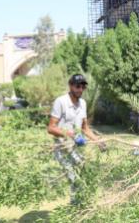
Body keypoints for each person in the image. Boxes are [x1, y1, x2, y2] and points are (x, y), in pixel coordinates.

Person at [47, 74, 102, 204]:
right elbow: (51, 128)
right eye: (78, 86)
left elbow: (85, 128)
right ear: (70, 86)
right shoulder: (61, 102)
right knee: (73, 176)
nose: (80, 89)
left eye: (83, 87)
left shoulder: (83, 103)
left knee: (84, 170)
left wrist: (98, 141)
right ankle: (76, 206)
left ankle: (81, 204)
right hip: (62, 147)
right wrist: (70, 135)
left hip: (76, 147)